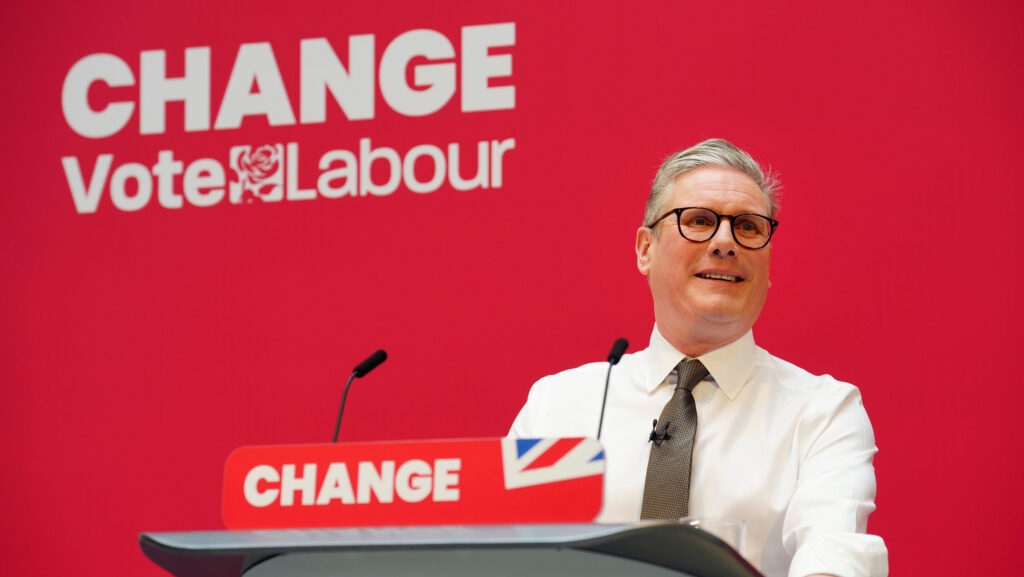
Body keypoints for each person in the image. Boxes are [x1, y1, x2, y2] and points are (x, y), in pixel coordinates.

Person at [509, 139, 888, 577]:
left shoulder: (821, 411)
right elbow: (505, 558)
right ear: (645, 250)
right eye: (699, 221)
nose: (725, 242)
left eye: (748, 226)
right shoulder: (559, 405)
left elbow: (835, 560)